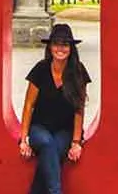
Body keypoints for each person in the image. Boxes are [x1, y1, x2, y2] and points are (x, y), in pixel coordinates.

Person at [19, 23, 91, 194]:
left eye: (65, 44)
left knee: (52, 151)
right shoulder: (41, 69)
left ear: (71, 48)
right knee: (46, 143)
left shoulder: (78, 71)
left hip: (65, 131)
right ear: (50, 47)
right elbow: (29, 105)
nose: (60, 48)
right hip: (39, 128)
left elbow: (78, 109)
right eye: (56, 43)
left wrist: (75, 142)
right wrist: (23, 139)